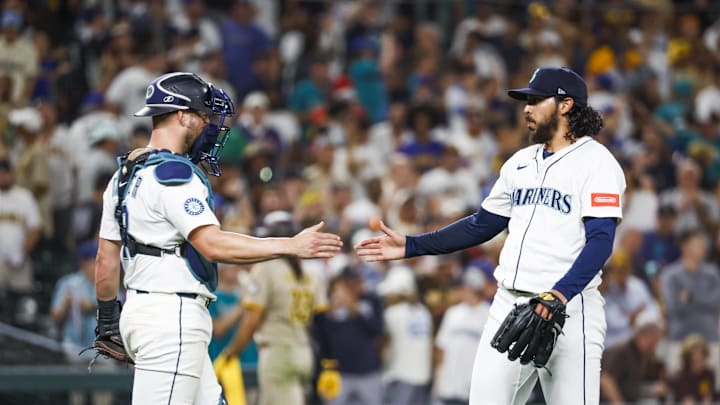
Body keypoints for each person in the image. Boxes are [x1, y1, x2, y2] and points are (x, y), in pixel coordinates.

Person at [355, 67, 626, 404]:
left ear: (566, 105)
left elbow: (601, 241)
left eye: (536, 100)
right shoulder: (520, 162)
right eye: (526, 100)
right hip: (510, 304)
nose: (526, 108)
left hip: (571, 309)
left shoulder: (597, 163)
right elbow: (481, 225)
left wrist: (560, 294)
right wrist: (413, 245)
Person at [94, 72, 342, 405]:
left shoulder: (125, 174)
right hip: (172, 316)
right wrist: (290, 245)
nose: (209, 125)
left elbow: (106, 260)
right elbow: (213, 245)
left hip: (145, 311)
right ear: (182, 115)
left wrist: (108, 320)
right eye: (203, 116)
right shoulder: (177, 176)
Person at [221, 210, 329, 405]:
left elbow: (253, 319)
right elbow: (321, 322)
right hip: (304, 351)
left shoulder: (266, 268)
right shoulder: (313, 271)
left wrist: (231, 353)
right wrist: (329, 363)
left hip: (278, 354)